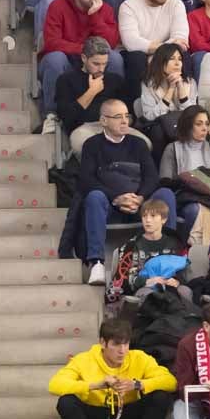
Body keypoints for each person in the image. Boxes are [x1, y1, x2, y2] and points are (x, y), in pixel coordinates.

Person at [64, 98, 174, 286]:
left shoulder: (138, 144)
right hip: (109, 205)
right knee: (93, 196)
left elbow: (151, 178)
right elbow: (87, 180)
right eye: (118, 117)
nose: (125, 121)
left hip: (139, 204)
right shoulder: (92, 145)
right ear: (104, 121)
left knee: (166, 195)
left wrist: (140, 198)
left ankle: (171, 257)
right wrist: (116, 198)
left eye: (127, 116)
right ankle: (97, 263)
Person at [49, 318, 176, 419]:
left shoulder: (139, 358)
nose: (122, 351)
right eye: (116, 344)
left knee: (161, 397)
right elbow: (55, 384)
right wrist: (96, 385)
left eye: (126, 344)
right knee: (66, 402)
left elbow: (171, 382)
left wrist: (137, 384)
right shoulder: (83, 360)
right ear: (103, 343)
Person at [39, 0, 123, 119]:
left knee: (115, 58)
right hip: (67, 58)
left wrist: (95, 16)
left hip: (93, 61)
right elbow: (52, 42)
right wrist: (84, 50)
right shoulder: (57, 7)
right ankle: (51, 114)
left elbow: (110, 43)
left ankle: (116, 109)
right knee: (55, 59)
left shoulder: (104, 9)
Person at [117, 0, 189, 94]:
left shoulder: (176, 4)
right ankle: (136, 107)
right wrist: (161, 50)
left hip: (166, 53)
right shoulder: (128, 6)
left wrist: (158, 53)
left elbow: (181, 38)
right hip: (137, 53)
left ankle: (184, 101)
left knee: (183, 55)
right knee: (136, 58)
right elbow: (131, 42)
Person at [105, 198, 191, 303]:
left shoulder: (176, 243)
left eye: (153, 216)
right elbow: (121, 280)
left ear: (163, 219)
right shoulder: (132, 245)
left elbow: (183, 271)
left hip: (170, 287)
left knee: (185, 291)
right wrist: (147, 281)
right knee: (150, 296)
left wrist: (177, 281)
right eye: (144, 216)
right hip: (144, 288)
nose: (148, 220)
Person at [138, 42, 197, 158]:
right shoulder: (148, 84)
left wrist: (180, 87)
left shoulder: (190, 83)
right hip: (159, 127)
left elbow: (192, 114)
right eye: (172, 59)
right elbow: (150, 116)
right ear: (161, 62)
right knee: (158, 132)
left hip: (181, 125)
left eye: (180, 59)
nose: (177, 63)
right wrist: (171, 89)